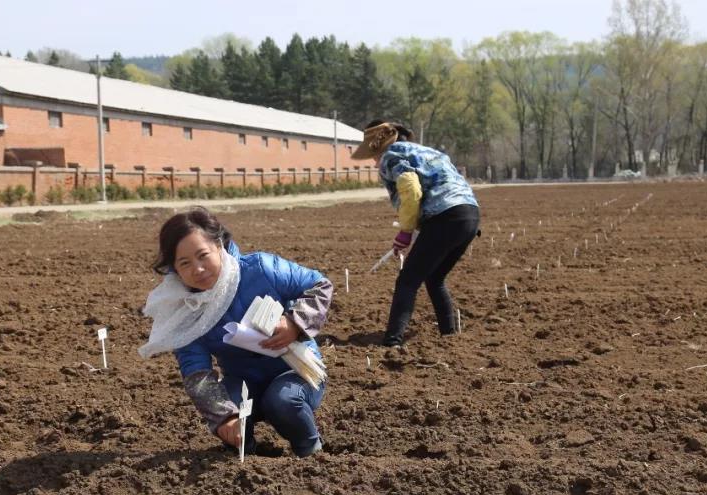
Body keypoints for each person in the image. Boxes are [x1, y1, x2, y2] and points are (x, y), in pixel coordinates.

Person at [138, 207, 332, 457]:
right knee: (230, 413)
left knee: (282, 401)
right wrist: (224, 417)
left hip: (297, 370)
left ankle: (311, 451)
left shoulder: (261, 269)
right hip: (243, 380)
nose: (198, 269)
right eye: (185, 263)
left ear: (219, 245)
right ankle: (245, 456)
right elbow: (197, 374)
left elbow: (319, 285)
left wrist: (295, 324)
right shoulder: (185, 312)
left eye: (203, 255)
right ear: (174, 269)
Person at [351, 120, 480, 347]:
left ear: (378, 148)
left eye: (372, 156)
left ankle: (392, 341)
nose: (374, 161)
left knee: (407, 281)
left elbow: (411, 190)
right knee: (434, 278)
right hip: (469, 215)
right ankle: (449, 335)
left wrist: (405, 232)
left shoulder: (391, 156)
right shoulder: (427, 152)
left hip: (445, 217)